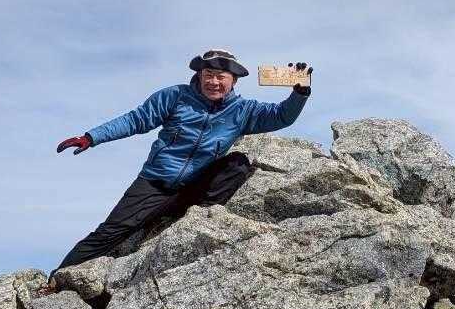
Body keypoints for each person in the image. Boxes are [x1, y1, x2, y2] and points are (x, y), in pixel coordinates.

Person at [48, 49, 312, 277]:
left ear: (233, 80)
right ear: (199, 75)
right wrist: (91, 137)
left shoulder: (243, 111)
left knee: (238, 163)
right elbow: (135, 120)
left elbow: (281, 116)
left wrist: (299, 93)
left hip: (195, 186)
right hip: (155, 183)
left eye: (221, 76)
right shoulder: (175, 96)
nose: (213, 81)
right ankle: (56, 279)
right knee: (110, 232)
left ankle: (197, 215)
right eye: (208, 74)